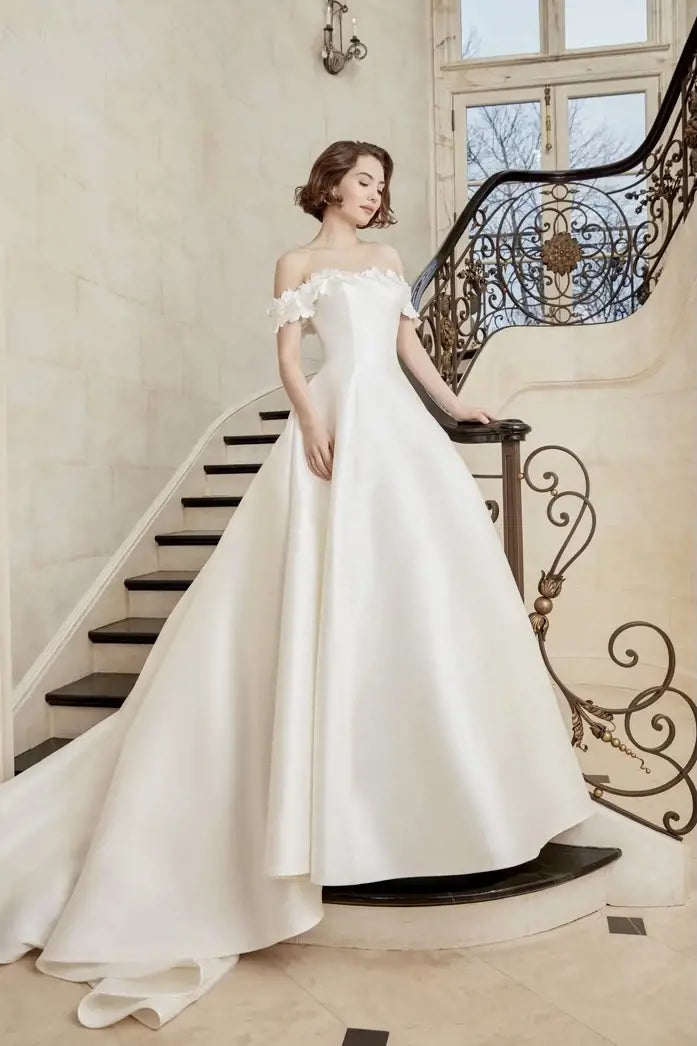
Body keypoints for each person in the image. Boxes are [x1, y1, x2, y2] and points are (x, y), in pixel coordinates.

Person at [0, 139, 594, 1030]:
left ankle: (461, 792)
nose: (373, 196)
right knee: (326, 599)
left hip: (399, 431)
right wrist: (311, 421)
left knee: (430, 601)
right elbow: (289, 356)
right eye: (362, 181)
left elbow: (408, 349)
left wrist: (456, 406)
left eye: (381, 186)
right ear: (328, 185)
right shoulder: (298, 262)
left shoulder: (390, 262)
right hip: (335, 421)